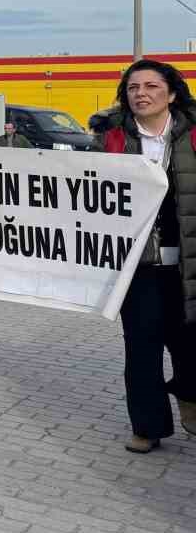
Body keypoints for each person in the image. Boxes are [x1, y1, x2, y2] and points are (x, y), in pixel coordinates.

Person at [93, 59, 196, 453]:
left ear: (171, 93)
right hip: (140, 267)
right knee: (141, 347)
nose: (141, 93)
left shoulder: (192, 135)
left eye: (151, 86)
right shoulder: (112, 140)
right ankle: (147, 425)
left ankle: (190, 398)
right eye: (133, 87)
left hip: (189, 261)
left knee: (190, 345)